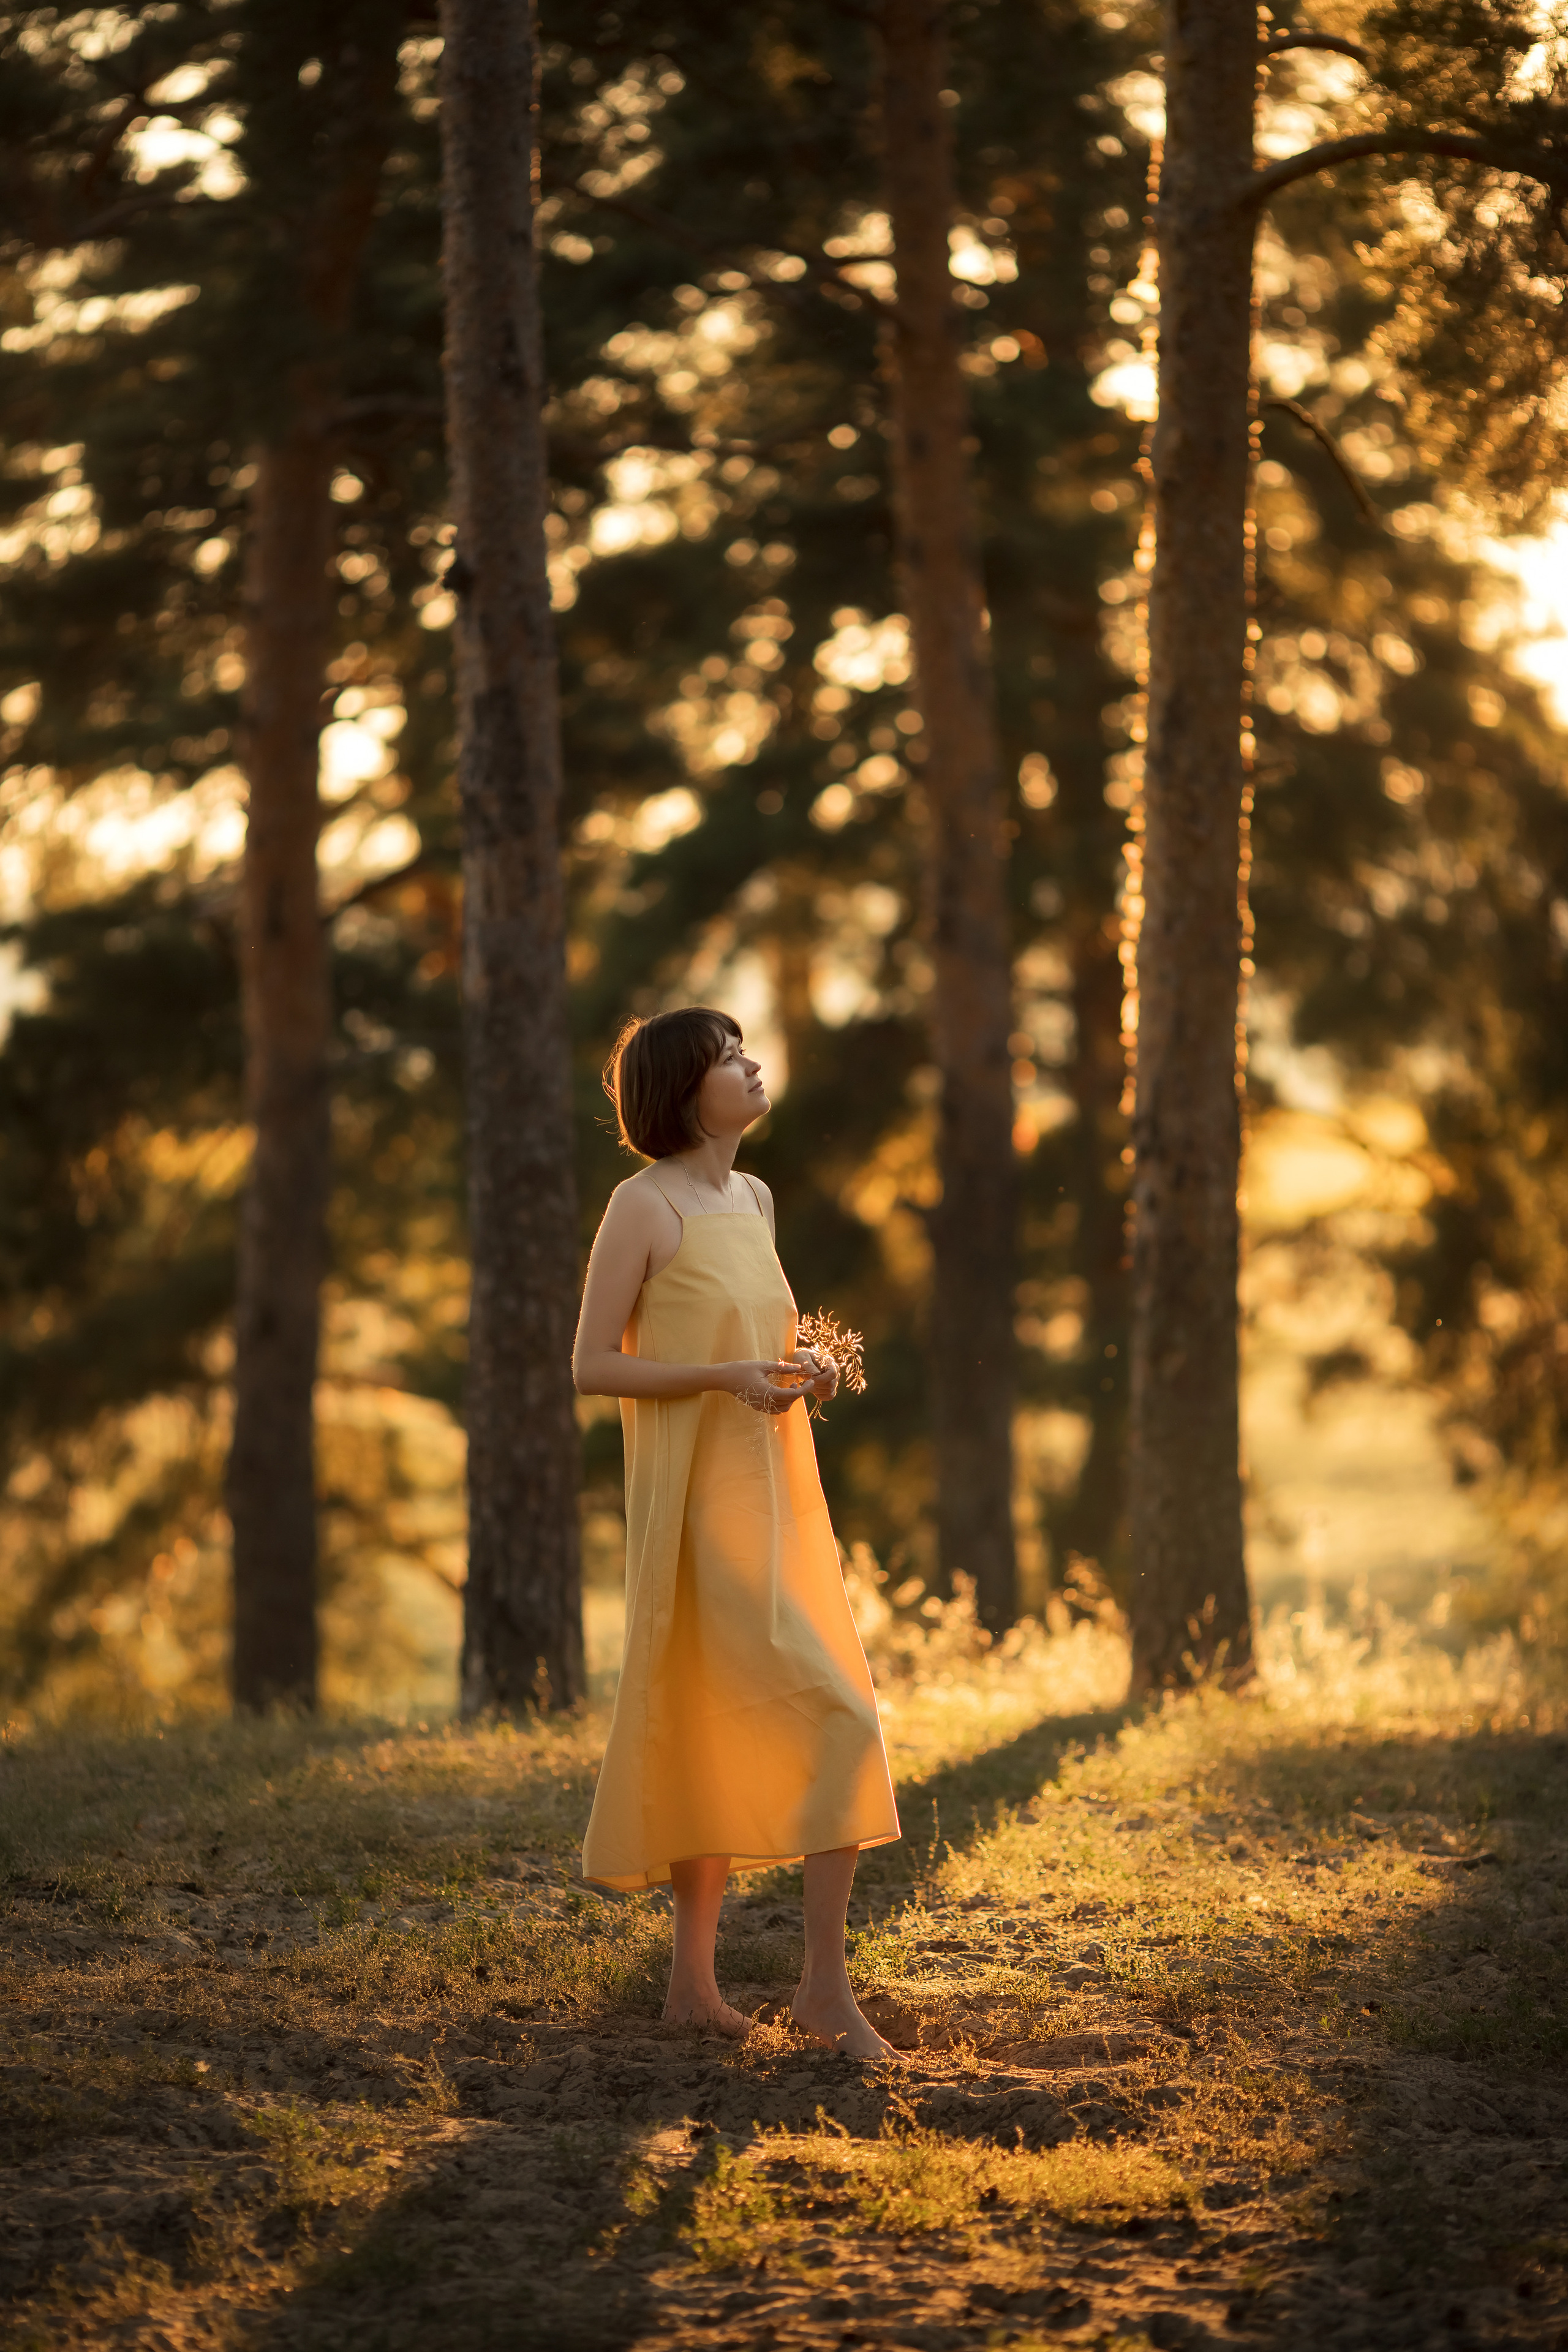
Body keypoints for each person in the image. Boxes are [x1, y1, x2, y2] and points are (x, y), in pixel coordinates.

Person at [573, 1006, 902, 2060]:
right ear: (683, 1093)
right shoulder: (642, 1207)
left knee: (743, 1723)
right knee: (843, 1721)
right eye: (727, 1059)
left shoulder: (751, 1197)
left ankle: (691, 1989)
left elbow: (769, 1341)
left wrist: (818, 1369)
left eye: (745, 1050)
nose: (752, 1066)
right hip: (697, 1514)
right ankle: (822, 1991)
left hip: (776, 1503)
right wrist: (720, 1377)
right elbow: (592, 1365)